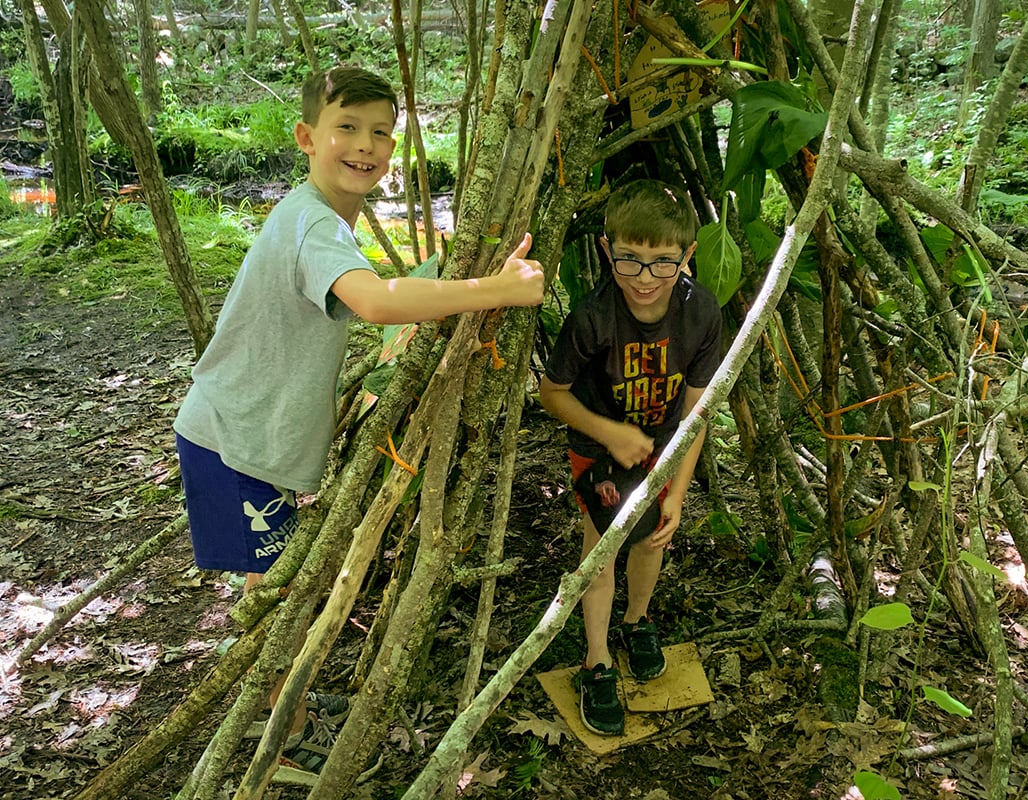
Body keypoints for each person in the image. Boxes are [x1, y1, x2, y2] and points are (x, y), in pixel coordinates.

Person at [172, 66, 544, 775]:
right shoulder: (312, 220)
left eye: (381, 133)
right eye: (347, 128)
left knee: (278, 585)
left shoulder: (316, 216)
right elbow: (373, 301)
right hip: (233, 439)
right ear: (307, 137)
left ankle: (291, 704)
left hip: (251, 434)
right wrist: (496, 288)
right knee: (278, 592)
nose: (365, 146)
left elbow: (361, 300)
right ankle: (281, 736)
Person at [539, 179, 722, 736]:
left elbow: (697, 413)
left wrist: (679, 490)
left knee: (653, 536)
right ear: (606, 249)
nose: (645, 279)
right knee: (602, 547)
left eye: (663, 263)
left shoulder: (701, 314)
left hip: (663, 446)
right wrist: (609, 433)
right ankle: (596, 661)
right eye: (630, 260)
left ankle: (637, 621)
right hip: (599, 447)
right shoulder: (594, 316)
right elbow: (551, 392)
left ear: (687, 255)